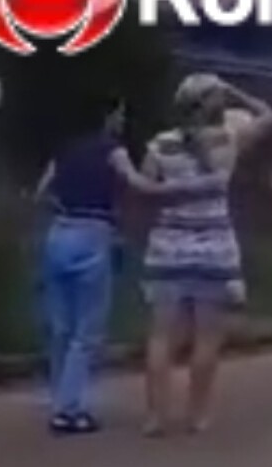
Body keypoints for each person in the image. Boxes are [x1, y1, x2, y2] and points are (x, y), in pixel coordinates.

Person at [34, 92, 225, 436]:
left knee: (60, 326)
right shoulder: (113, 150)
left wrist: (67, 204)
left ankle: (60, 396)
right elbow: (140, 186)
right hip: (93, 234)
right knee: (86, 330)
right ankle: (69, 409)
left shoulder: (65, 149)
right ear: (108, 117)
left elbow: (42, 191)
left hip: (59, 233)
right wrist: (190, 188)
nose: (122, 121)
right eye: (119, 114)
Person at [141, 73, 272, 436]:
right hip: (215, 250)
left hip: (167, 248)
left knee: (160, 337)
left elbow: (146, 189)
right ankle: (197, 414)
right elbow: (267, 115)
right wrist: (236, 92)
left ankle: (156, 416)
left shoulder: (160, 144)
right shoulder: (228, 139)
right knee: (207, 339)